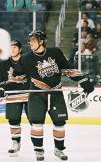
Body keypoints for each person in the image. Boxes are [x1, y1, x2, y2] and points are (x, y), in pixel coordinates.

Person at [15, 30, 94, 161]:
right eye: (29, 40)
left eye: (33, 40)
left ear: (41, 41)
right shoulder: (26, 58)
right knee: (37, 124)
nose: (30, 43)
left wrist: (83, 81)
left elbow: (68, 68)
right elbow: (18, 77)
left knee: (59, 123)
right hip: (37, 95)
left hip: (56, 93)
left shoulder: (55, 52)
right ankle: (38, 150)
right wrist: (4, 86)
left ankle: (59, 150)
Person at [0, 40, 29, 156]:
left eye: (15, 48)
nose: (12, 50)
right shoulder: (3, 64)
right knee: (13, 119)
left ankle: (38, 145)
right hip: (12, 95)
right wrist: (2, 87)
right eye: (10, 47)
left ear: (20, 49)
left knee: (34, 119)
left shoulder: (28, 61)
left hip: (28, 94)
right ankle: (16, 142)